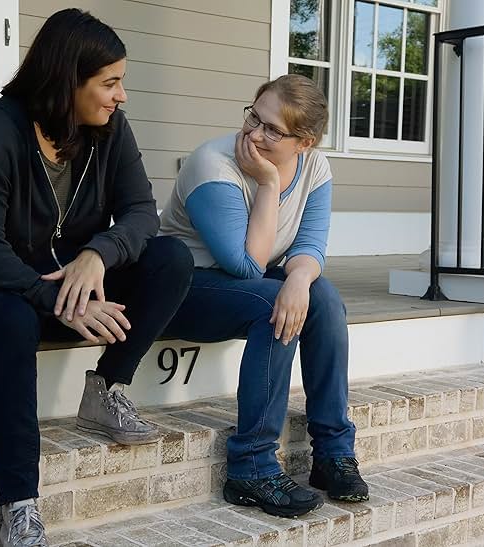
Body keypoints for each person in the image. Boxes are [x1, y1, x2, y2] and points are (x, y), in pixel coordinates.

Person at [0, 9, 193, 546]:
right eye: (109, 83)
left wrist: (99, 253)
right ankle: (20, 506)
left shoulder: (108, 129)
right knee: (8, 318)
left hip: (68, 289)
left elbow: (144, 211)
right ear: (66, 80)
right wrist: (54, 298)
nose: (121, 96)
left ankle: (106, 387)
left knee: (172, 259)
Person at [159, 74, 369, 518]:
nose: (254, 133)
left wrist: (298, 280)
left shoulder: (315, 168)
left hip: (245, 286)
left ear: (304, 142)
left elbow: (311, 245)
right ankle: (250, 467)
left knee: (324, 298)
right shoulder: (213, 165)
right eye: (254, 116)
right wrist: (270, 184)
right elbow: (246, 264)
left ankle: (333, 454)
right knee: (273, 304)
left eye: (272, 129)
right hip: (184, 288)